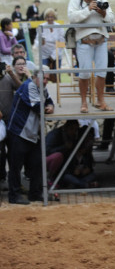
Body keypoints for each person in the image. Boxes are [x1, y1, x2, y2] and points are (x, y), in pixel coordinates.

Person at [68, 0, 115, 113]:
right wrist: (88, 9)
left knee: (102, 72)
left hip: (101, 40)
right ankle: (84, 103)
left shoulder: (102, 0)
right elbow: (72, 18)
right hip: (84, 41)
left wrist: (103, 12)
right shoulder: (75, 1)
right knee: (84, 73)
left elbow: (111, 20)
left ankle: (101, 101)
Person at [7, 66, 54, 204]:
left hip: (33, 133)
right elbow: (37, 106)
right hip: (19, 132)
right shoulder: (29, 86)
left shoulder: (41, 88)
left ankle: (35, 193)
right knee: (16, 166)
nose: (45, 81)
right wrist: (46, 106)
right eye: (43, 78)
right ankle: (14, 196)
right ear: (34, 77)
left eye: (47, 79)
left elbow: (49, 101)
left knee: (37, 163)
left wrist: (50, 106)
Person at [0, 60, 22, 189]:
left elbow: (21, 88)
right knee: (1, 153)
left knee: (14, 153)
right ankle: (2, 178)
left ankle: (15, 183)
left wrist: (12, 73)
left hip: (10, 121)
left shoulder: (8, 78)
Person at [45, 120, 79, 186]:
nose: (74, 132)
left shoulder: (72, 136)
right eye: (72, 129)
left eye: (76, 130)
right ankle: (49, 178)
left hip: (63, 167)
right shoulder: (54, 135)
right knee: (58, 156)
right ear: (66, 128)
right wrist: (64, 147)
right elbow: (46, 151)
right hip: (47, 160)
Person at [36, 8, 65, 79]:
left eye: (51, 17)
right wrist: (41, 43)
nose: (50, 19)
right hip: (44, 54)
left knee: (56, 76)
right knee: (43, 75)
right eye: (48, 17)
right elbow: (36, 41)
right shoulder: (41, 26)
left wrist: (54, 55)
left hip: (57, 53)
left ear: (54, 17)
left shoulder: (59, 27)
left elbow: (62, 43)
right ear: (45, 17)